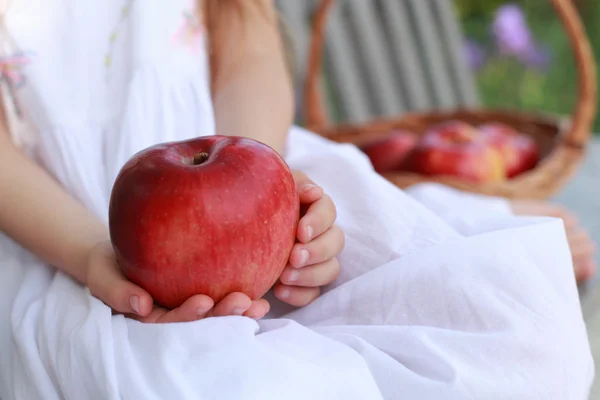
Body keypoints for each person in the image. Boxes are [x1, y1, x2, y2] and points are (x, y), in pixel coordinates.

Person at [0, 1, 594, 399]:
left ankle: (454, 220)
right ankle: (459, 215)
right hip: (63, 233)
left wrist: (268, 194)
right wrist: (89, 255)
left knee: (522, 329)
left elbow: (249, 53)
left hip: (254, 160)